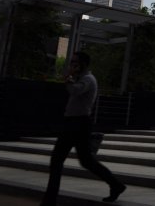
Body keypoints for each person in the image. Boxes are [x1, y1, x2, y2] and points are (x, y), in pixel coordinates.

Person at [41, 52, 126, 205]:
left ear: (83, 64)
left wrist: (68, 77)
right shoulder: (82, 78)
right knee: (85, 161)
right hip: (75, 123)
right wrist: (70, 78)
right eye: (72, 62)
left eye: (75, 62)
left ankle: (49, 200)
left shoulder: (88, 79)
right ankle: (116, 185)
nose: (72, 64)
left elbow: (74, 90)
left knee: (58, 159)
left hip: (78, 124)